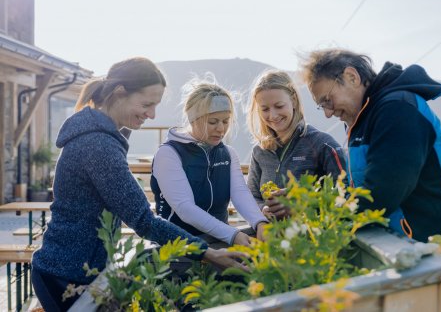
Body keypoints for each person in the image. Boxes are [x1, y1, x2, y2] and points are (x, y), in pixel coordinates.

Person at [31, 58, 248, 311]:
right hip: (67, 275)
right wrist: (209, 253)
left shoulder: (102, 137)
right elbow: (144, 220)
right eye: (147, 104)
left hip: (75, 269)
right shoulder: (98, 145)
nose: (152, 114)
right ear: (119, 92)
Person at [300, 48, 441, 273]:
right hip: (408, 252)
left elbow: (382, 191)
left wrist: (320, 218)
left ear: (351, 77)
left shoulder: (398, 109)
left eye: (327, 100)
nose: (327, 113)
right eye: (322, 105)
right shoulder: (363, 118)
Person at [151, 80, 268, 246]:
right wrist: (233, 235)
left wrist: (260, 222)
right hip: (176, 248)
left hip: (217, 242)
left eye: (226, 121)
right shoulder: (168, 154)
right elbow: (186, 209)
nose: (221, 129)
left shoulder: (228, 153)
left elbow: (240, 193)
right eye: (213, 122)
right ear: (192, 119)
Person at [246, 69, 346, 219]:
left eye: (279, 106)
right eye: (264, 109)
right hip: (271, 237)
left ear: (293, 100)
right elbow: (252, 196)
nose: (273, 115)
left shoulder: (323, 145)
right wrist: (262, 210)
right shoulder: (259, 151)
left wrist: (302, 203)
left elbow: (346, 193)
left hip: (313, 237)